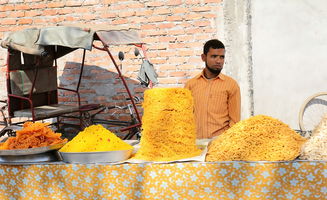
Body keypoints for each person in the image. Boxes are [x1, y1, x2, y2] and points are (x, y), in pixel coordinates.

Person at [185, 39, 241, 139]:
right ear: (203, 57)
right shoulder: (190, 85)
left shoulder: (231, 85)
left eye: (222, 57)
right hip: (195, 145)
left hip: (220, 145)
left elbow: (235, 121)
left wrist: (226, 143)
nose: (219, 61)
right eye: (214, 56)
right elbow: (185, 117)